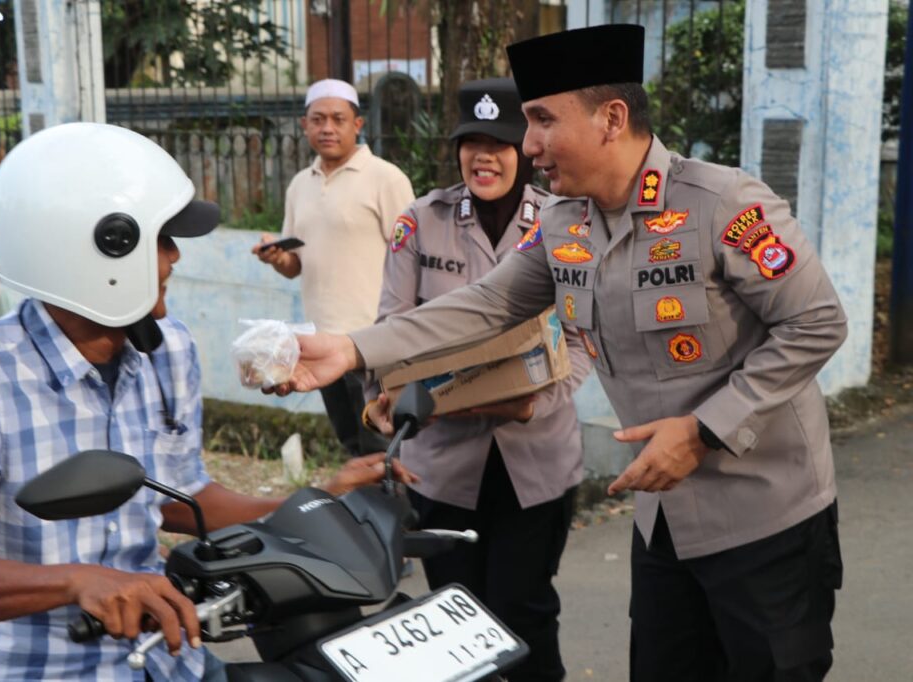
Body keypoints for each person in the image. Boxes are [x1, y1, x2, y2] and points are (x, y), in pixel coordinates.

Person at [274, 24, 847, 682]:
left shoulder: (722, 204)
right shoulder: (565, 222)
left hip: (765, 516)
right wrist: (349, 348)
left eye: (543, 120)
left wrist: (702, 431)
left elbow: (816, 321)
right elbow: (486, 304)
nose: (530, 144)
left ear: (612, 118)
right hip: (665, 525)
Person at [0, 123, 413, 681]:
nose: (174, 259)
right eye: (161, 241)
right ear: (98, 251)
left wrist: (313, 499)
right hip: (43, 667)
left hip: (170, 660)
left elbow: (179, 495)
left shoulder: (168, 352)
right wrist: (77, 580)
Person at [361, 77, 591, 682]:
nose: (484, 156)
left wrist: (532, 404)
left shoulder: (566, 223)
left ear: (525, 148)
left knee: (525, 609)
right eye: (471, 143)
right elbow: (392, 325)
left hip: (534, 461)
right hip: (443, 461)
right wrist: (380, 399)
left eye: (500, 142)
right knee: (455, 619)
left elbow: (584, 342)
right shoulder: (422, 220)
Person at [251, 79, 414, 456]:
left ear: (357, 124)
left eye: (338, 119)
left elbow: (412, 256)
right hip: (319, 342)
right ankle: (363, 515)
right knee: (351, 443)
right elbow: (295, 266)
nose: (327, 128)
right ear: (304, 124)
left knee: (385, 446)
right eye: (318, 119)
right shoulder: (298, 186)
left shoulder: (386, 178)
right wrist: (278, 257)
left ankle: (403, 516)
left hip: (374, 344)